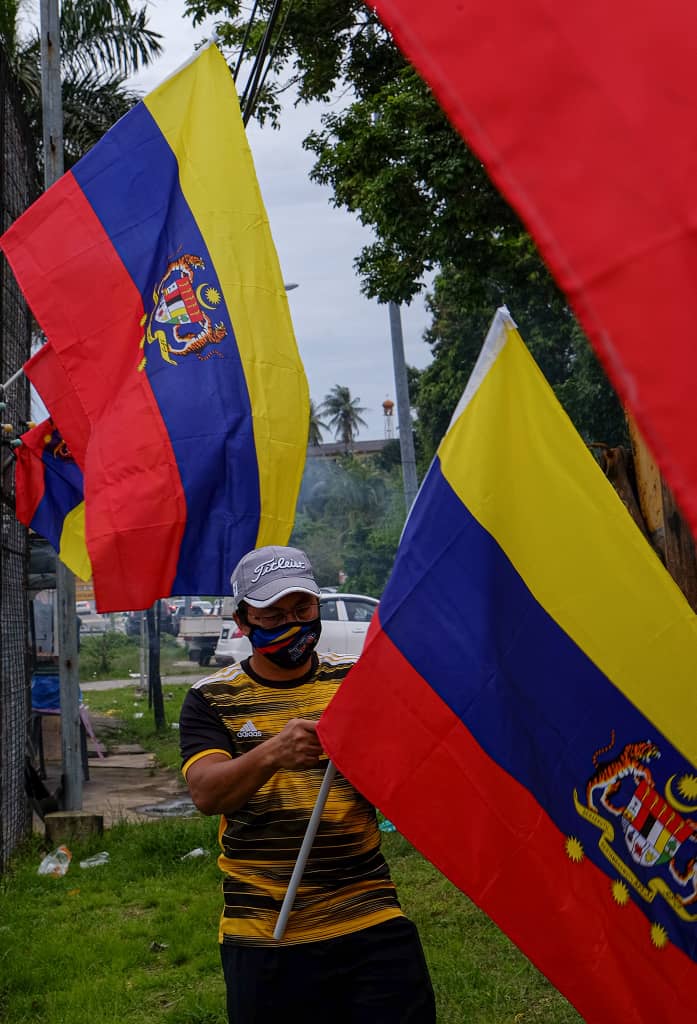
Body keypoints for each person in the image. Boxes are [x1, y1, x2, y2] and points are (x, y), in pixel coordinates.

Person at [179, 544, 436, 1024]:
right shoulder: (210, 698)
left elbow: (401, 774)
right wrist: (273, 753)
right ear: (243, 621)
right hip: (264, 927)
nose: (293, 624)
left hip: (369, 909)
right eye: (273, 614)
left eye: (303, 609)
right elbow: (207, 792)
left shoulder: (355, 681)